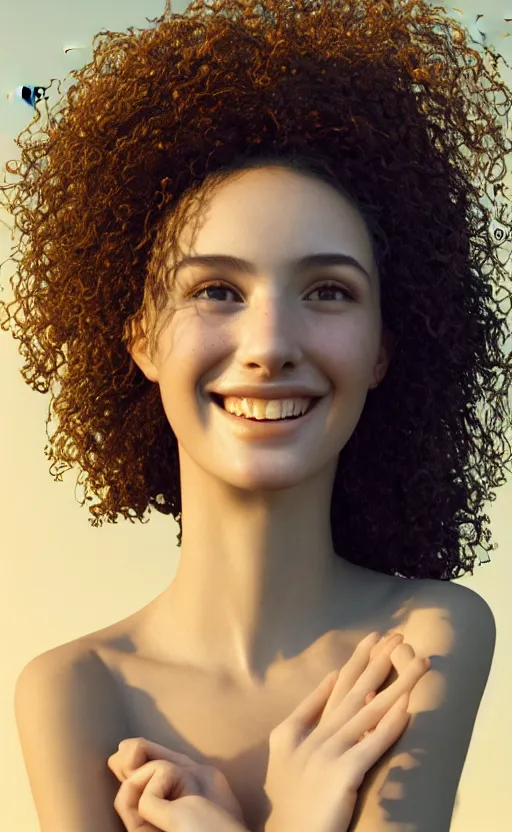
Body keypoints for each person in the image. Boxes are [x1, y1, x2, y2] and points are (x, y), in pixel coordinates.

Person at [2, 1, 510, 830]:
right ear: (139, 337)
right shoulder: (71, 690)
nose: (270, 344)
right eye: (217, 291)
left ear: (385, 346)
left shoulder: (428, 635)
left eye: (328, 292)